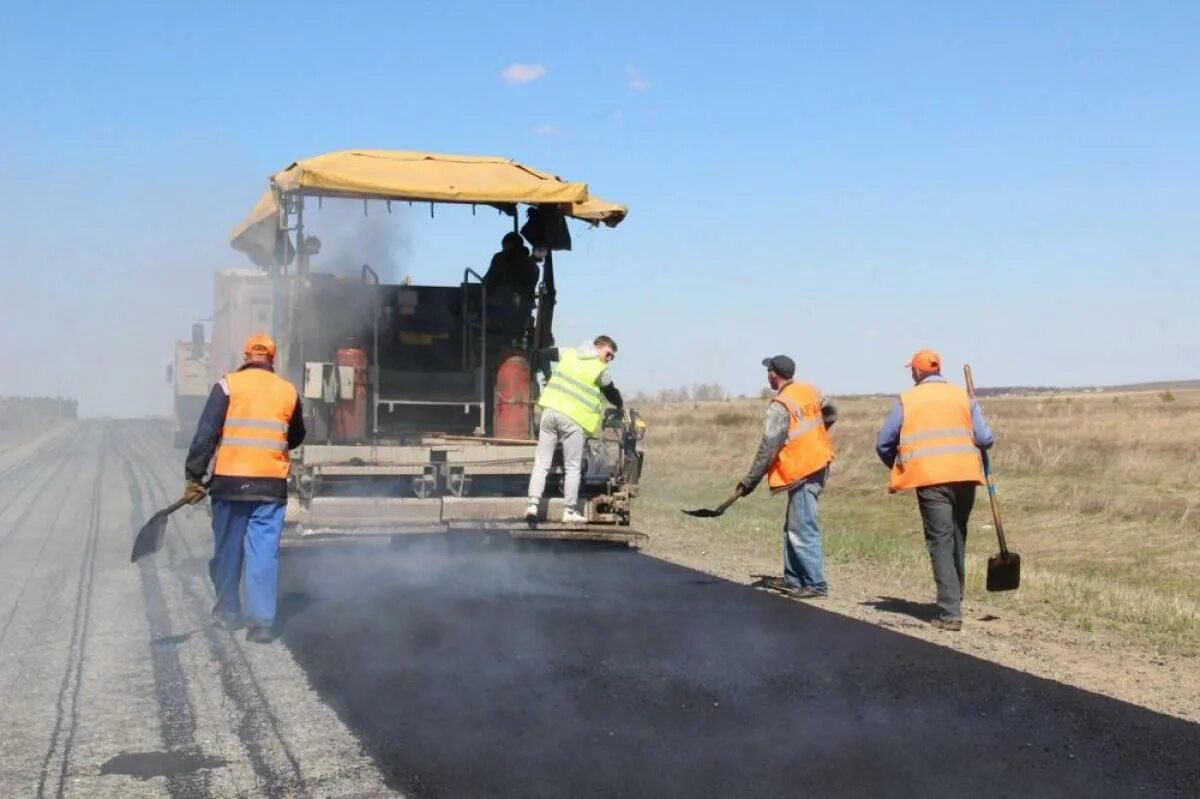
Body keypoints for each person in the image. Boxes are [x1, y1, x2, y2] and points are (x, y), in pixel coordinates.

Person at [184, 333, 305, 643]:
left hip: (229, 485)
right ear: (272, 359)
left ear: (246, 355)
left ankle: (229, 612)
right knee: (264, 553)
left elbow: (206, 432)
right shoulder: (287, 391)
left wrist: (194, 476)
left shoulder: (228, 385)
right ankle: (263, 623)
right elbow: (296, 436)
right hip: (270, 486)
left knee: (228, 550)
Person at [875, 349, 995, 632]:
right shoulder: (963, 397)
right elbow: (986, 438)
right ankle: (955, 596)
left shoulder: (908, 399)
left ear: (916, 372)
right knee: (957, 535)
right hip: (965, 477)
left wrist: (899, 464)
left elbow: (883, 442)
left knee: (940, 541)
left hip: (931, 480)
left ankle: (950, 612)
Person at [737, 355, 838, 598]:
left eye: (768, 371)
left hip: (804, 468)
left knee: (803, 526)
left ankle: (815, 584)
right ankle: (793, 579)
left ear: (773, 374)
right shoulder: (810, 390)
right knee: (794, 525)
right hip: (819, 461)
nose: (767, 375)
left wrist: (750, 480)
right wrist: (814, 437)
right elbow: (832, 413)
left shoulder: (779, 405)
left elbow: (768, 447)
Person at [525, 336, 623, 524]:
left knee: (542, 463)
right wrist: (620, 405)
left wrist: (548, 375)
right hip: (573, 420)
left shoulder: (569, 353)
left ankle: (532, 504)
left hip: (549, 412)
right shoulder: (599, 369)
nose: (609, 359)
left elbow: (543, 354)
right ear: (598, 347)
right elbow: (611, 392)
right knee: (573, 467)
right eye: (608, 354)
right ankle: (569, 511)